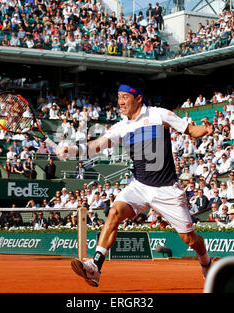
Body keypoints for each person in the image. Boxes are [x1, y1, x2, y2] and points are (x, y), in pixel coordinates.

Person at [60, 76, 214, 287]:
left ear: (138, 98)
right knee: (114, 212)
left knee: (190, 240)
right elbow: (97, 145)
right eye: (119, 98)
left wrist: (205, 130)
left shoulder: (159, 114)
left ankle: (206, 262)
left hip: (167, 189)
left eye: (125, 97)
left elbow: (190, 130)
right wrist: (73, 150)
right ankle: (95, 267)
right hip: (140, 185)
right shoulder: (121, 127)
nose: (121, 102)